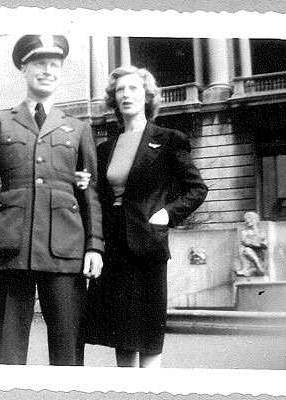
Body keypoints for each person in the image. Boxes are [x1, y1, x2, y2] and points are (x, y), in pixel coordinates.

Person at [0, 34, 104, 366]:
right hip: (11, 248)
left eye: (54, 65)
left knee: (69, 353)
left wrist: (94, 245)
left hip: (66, 249)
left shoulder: (78, 128)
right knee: (6, 354)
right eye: (40, 64)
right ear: (23, 68)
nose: (48, 71)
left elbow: (90, 194)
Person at [78, 66, 208, 368]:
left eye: (134, 89)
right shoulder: (105, 148)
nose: (126, 95)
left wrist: (167, 214)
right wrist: (87, 185)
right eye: (120, 90)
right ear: (114, 98)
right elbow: (99, 194)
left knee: (148, 333)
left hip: (147, 246)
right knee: (122, 333)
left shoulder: (168, 140)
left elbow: (197, 189)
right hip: (113, 248)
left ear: (147, 96)